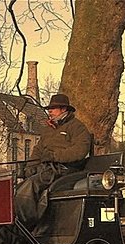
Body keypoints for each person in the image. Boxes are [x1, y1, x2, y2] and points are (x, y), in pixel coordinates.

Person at [14, 93, 92, 225]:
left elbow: (79, 151)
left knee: (31, 185)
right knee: (18, 187)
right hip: (46, 169)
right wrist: (30, 167)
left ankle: (29, 225)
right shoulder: (47, 130)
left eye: (53, 108)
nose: (49, 111)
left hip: (66, 170)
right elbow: (38, 151)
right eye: (49, 108)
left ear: (64, 110)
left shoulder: (77, 127)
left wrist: (55, 156)